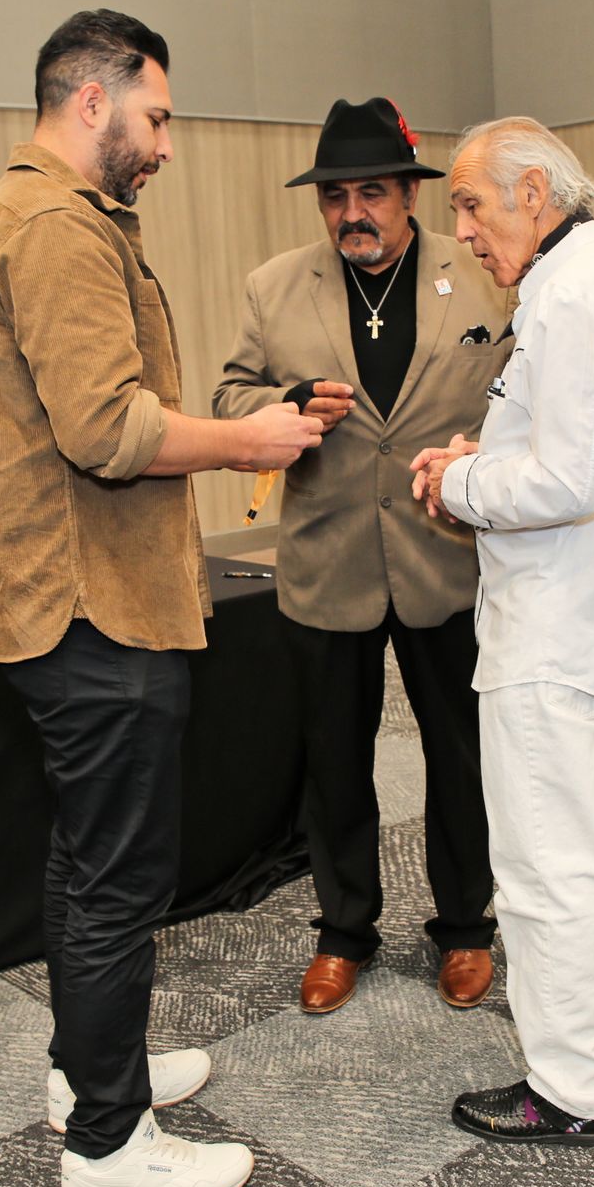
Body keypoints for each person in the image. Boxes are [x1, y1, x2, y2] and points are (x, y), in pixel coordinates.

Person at [0, 9, 323, 1187]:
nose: (167, 142)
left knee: (84, 860)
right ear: (91, 102)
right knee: (117, 878)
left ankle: (87, 1072)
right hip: (89, 606)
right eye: (157, 116)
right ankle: (109, 1150)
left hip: (78, 597)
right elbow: (107, 430)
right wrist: (246, 440)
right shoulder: (56, 225)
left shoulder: (52, 215)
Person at [410, 117, 594, 1146]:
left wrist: (458, 478)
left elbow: (568, 478)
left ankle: (568, 1086)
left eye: (471, 203)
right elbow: (582, 443)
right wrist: (485, 452)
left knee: (546, 863)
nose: (463, 229)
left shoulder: (568, 294)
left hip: (560, 622)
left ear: (534, 194)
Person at [213, 98, 507, 1016]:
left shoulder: (484, 276)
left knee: (460, 756)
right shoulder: (274, 287)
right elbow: (229, 400)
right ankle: (345, 932)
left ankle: (465, 926)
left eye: (371, 193)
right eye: (335, 197)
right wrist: (283, 404)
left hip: (445, 559)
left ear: (409, 195)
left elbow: (521, 399)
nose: (352, 214)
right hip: (326, 560)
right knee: (334, 759)